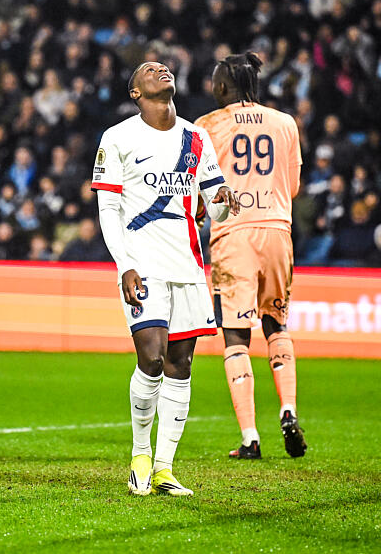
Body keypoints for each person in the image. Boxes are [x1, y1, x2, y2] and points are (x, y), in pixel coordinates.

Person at [93, 62, 239, 496]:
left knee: (181, 366)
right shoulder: (117, 138)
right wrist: (124, 264)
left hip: (188, 266)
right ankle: (140, 454)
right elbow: (108, 209)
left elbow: (215, 207)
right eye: (148, 70)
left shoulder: (196, 137)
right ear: (135, 92)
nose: (160, 69)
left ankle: (164, 468)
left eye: (164, 67)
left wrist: (225, 203)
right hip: (143, 262)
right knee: (152, 357)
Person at [195, 52, 307, 460]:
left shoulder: (207, 126)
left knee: (236, 339)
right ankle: (289, 409)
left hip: (233, 234)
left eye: (213, 81)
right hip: (278, 230)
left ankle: (249, 437)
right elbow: (292, 186)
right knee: (276, 323)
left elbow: (198, 190)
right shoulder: (285, 123)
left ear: (224, 86)